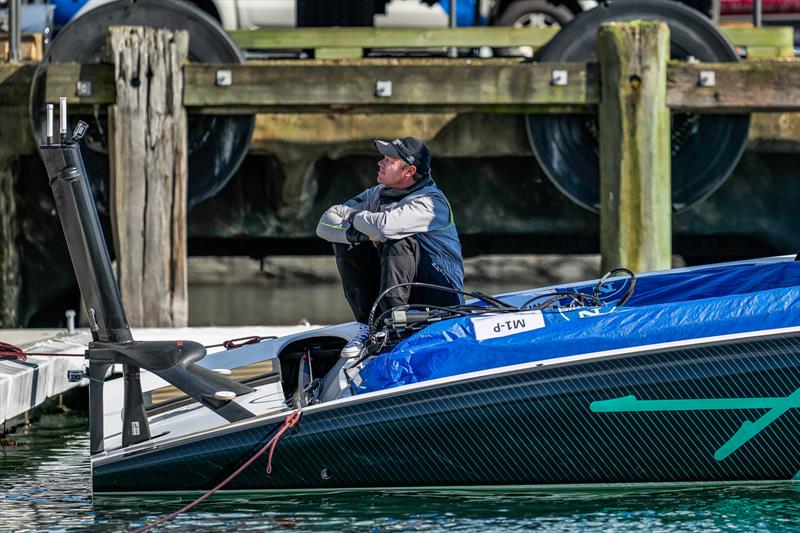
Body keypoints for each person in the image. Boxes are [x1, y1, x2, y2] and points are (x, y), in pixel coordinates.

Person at [316, 137, 464, 356]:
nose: (380, 163)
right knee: (347, 242)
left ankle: (396, 327)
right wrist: (358, 234)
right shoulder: (376, 194)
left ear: (409, 171)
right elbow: (324, 225)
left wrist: (353, 216)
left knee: (396, 237)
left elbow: (383, 228)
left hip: (441, 298)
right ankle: (370, 326)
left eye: (389, 160)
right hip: (400, 289)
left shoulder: (432, 204)